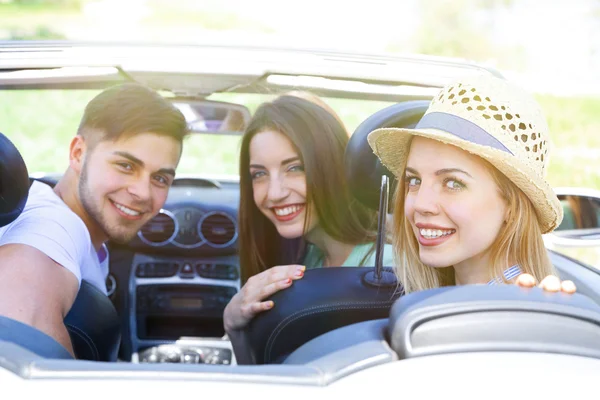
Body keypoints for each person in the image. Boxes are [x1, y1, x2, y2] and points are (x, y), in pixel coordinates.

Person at [0, 83, 188, 355]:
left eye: (160, 178)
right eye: (126, 166)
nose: (142, 192)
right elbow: (15, 322)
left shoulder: (69, 216)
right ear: (78, 153)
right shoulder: (55, 225)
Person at [367, 75, 576, 294]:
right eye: (414, 180)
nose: (421, 204)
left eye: (453, 183)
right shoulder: (428, 300)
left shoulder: (527, 313)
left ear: (512, 207)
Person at [224, 93, 394, 337]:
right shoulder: (311, 257)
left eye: (295, 168)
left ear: (332, 166)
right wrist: (232, 319)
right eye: (259, 174)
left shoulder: (386, 270)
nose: (274, 193)